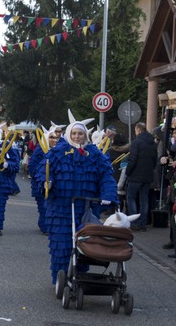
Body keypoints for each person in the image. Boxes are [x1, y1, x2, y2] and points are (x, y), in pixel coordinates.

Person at [34, 110, 117, 284]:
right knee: (61, 245)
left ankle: (80, 277)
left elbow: (106, 176)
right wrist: (46, 182)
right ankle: (60, 279)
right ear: (69, 135)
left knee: (85, 245)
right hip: (60, 208)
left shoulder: (95, 154)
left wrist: (108, 195)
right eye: (74, 133)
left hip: (86, 207)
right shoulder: (57, 152)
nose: (78, 137)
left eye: (80, 133)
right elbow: (44, 171)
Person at [125, 122, 158, 231]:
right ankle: (143, 223)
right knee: (144, 200)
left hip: (135, 175)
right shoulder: (152, 143)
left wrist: (128, 172)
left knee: (131, 197)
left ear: (138, 130)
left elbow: (132, 160)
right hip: (147, 176)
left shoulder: (136, 143)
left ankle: (134, 222)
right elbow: (155, 160)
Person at [28, 125, 59, 234]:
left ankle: (50, 226)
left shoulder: (59, 151)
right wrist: (41, 178)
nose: (54, 140)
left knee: (52, 207)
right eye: (51, 137)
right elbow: (32, 167)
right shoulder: (40, 151)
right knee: (43, 207)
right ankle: (45, 227)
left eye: (55, 138)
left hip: (54, 185)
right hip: (41, 185)